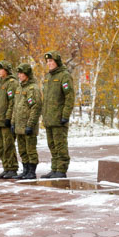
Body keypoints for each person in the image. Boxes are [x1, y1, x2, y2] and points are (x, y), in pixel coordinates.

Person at [42, 51, 75, 179]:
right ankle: (54, 168)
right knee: (52, 145)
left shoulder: (64, 76)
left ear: (57, 62)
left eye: (51, 61)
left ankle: (61, 169)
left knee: (60, 145)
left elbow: (69, 97)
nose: (49, 64)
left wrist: (65, 115)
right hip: (49, 118)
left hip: (59, 118)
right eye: (48, 62)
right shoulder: (48, 77)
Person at [12, 63, 42, 180]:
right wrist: (13, 123)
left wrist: (30, 124)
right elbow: (16, 107)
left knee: (30, 150)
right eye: (18, 73)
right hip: (19, 126)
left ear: (27, 74)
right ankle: (25, 170)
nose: (19, 75)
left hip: (28, 126)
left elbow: (36, 107)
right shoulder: (20, 88)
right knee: (22, 150)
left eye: (21, 73)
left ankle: (31, 171)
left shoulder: (32, 88)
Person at [0, 60, 21, 179]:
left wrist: (8, 117)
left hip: (5, 120)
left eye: (1, 69)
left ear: (7, 70)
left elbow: (12, 102)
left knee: (8, 145)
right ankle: (6, 167)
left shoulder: (12, 83)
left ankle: (12, 168)